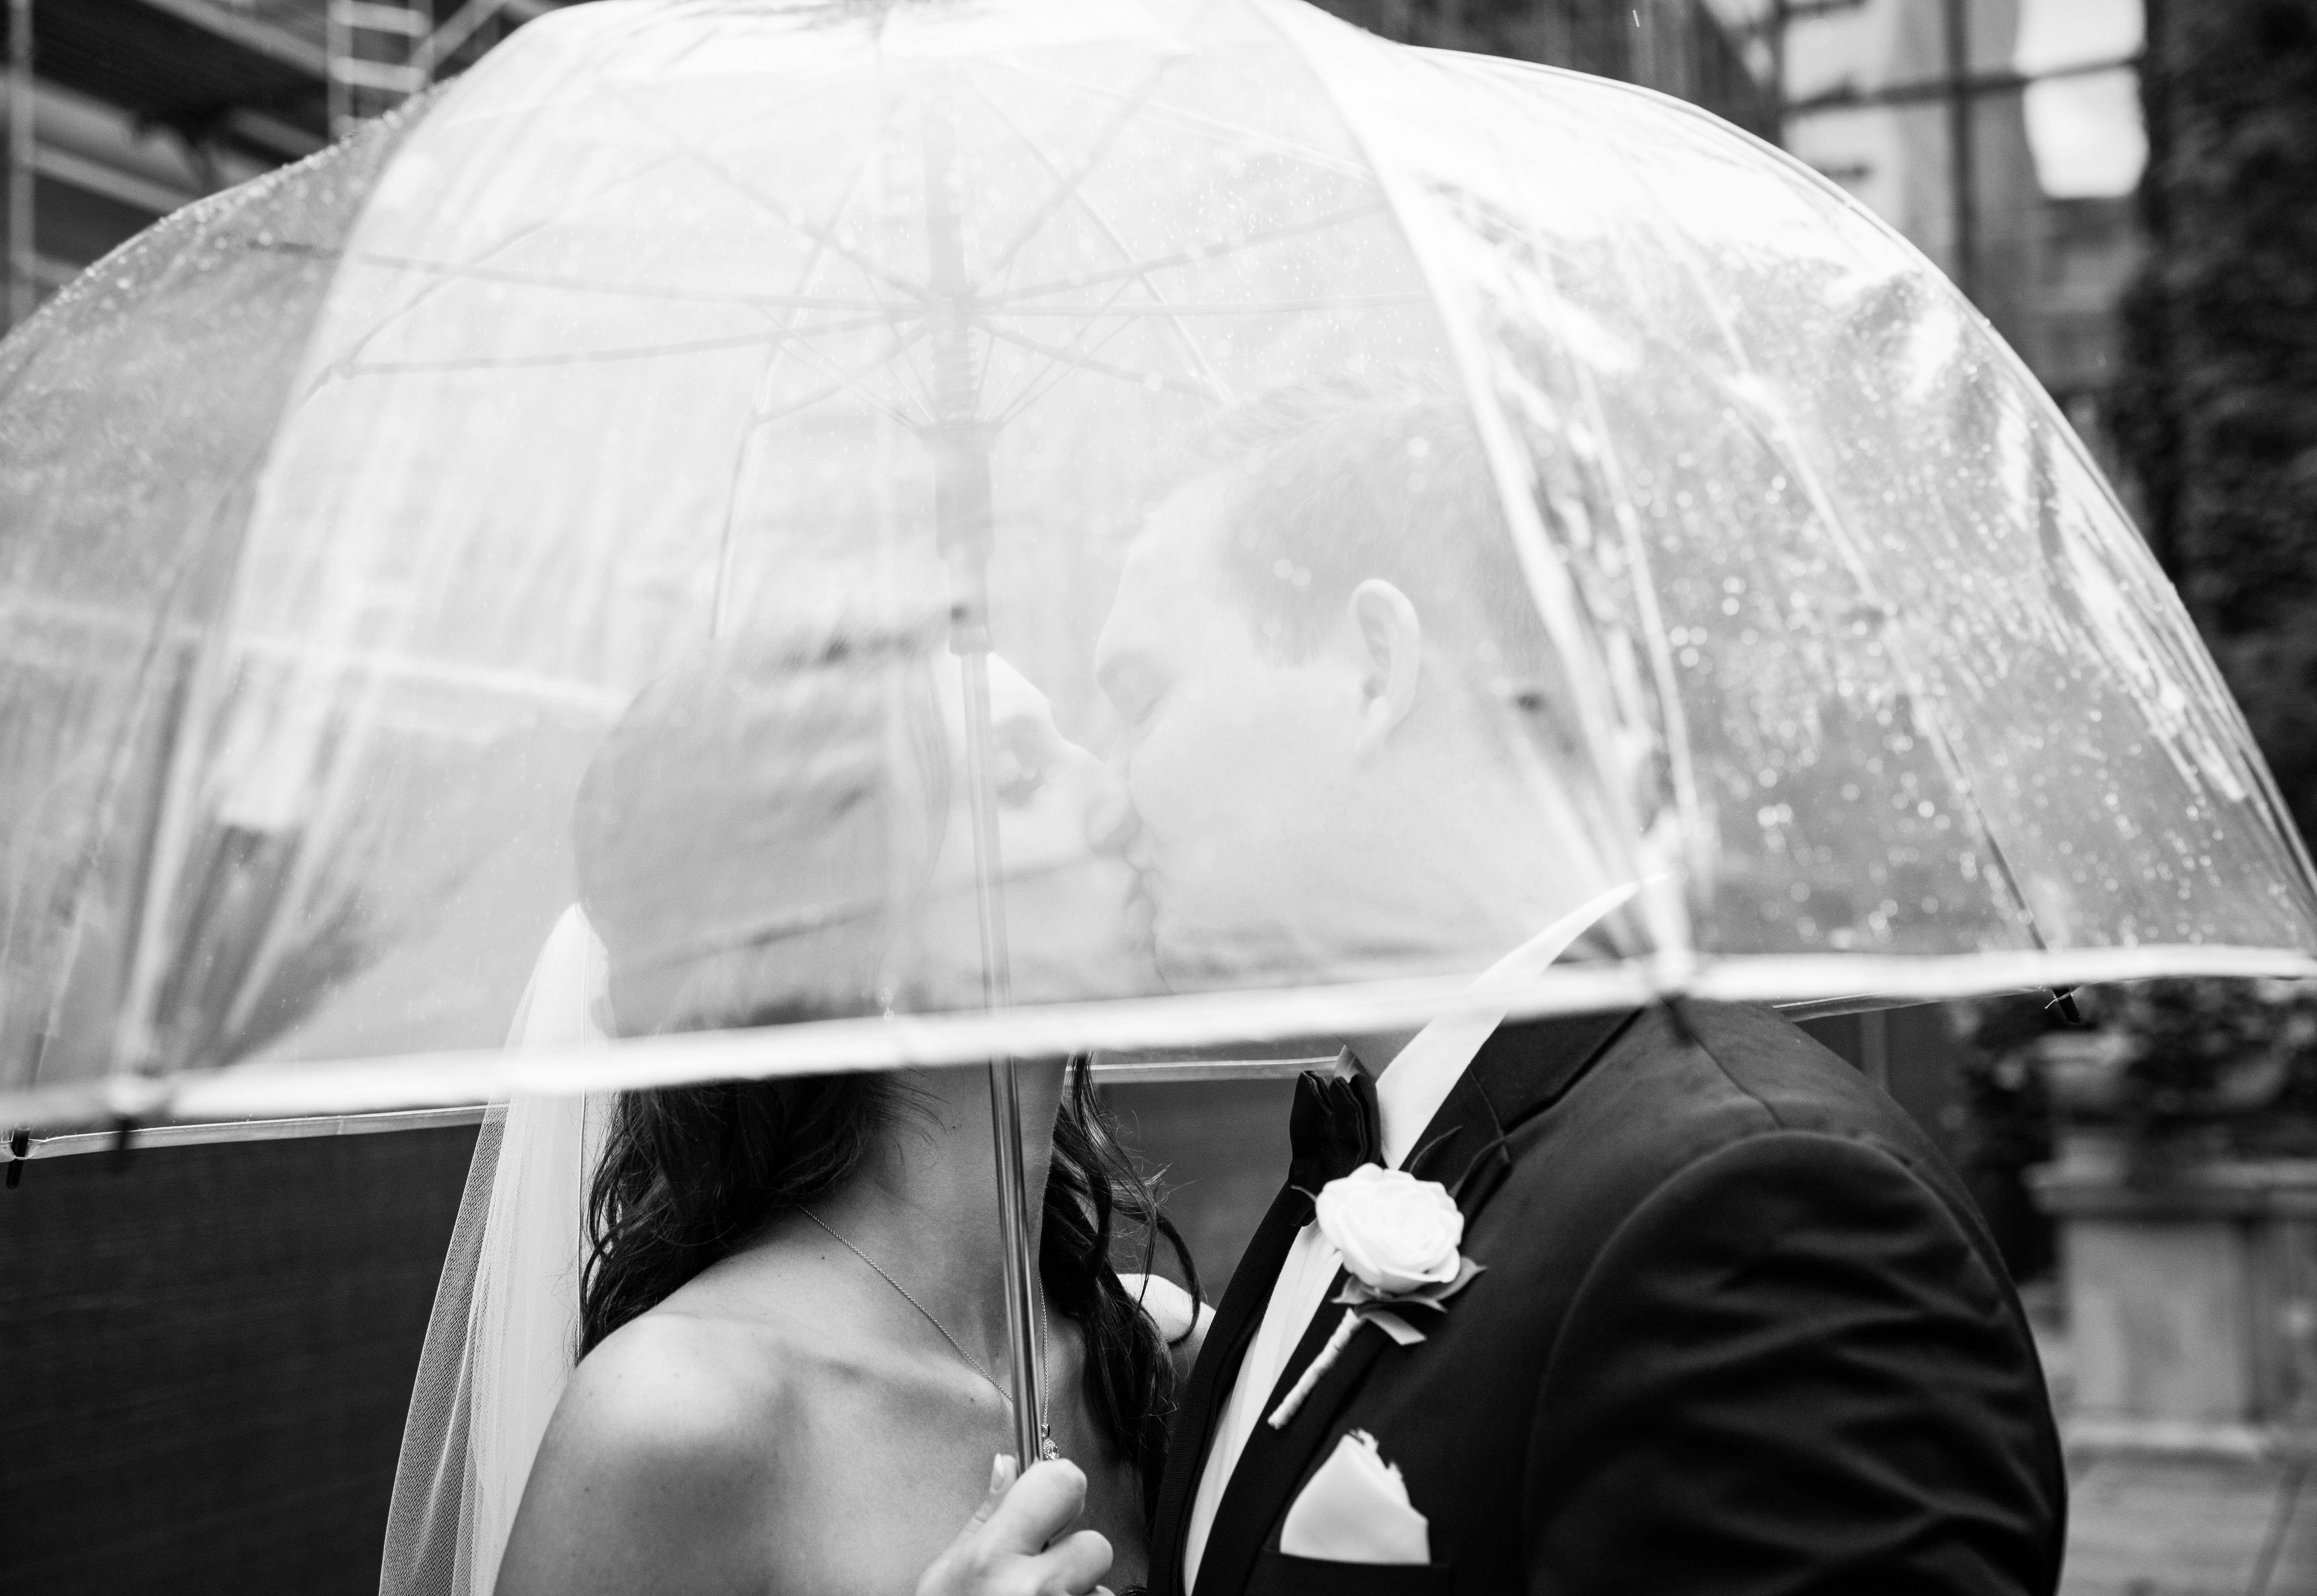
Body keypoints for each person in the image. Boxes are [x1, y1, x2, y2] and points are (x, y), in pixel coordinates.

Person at [953, 376, 2066, 1596]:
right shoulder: (1370, 1168)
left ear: (1373, 672)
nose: (1112, 791)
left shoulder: (1764, 1217)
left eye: (1142, 699)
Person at [389, 622, 1205, 1596]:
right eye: (1020, 778)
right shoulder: (678, 1418)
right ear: (866, 950)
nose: (1117, 797)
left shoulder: (1155, 1356)